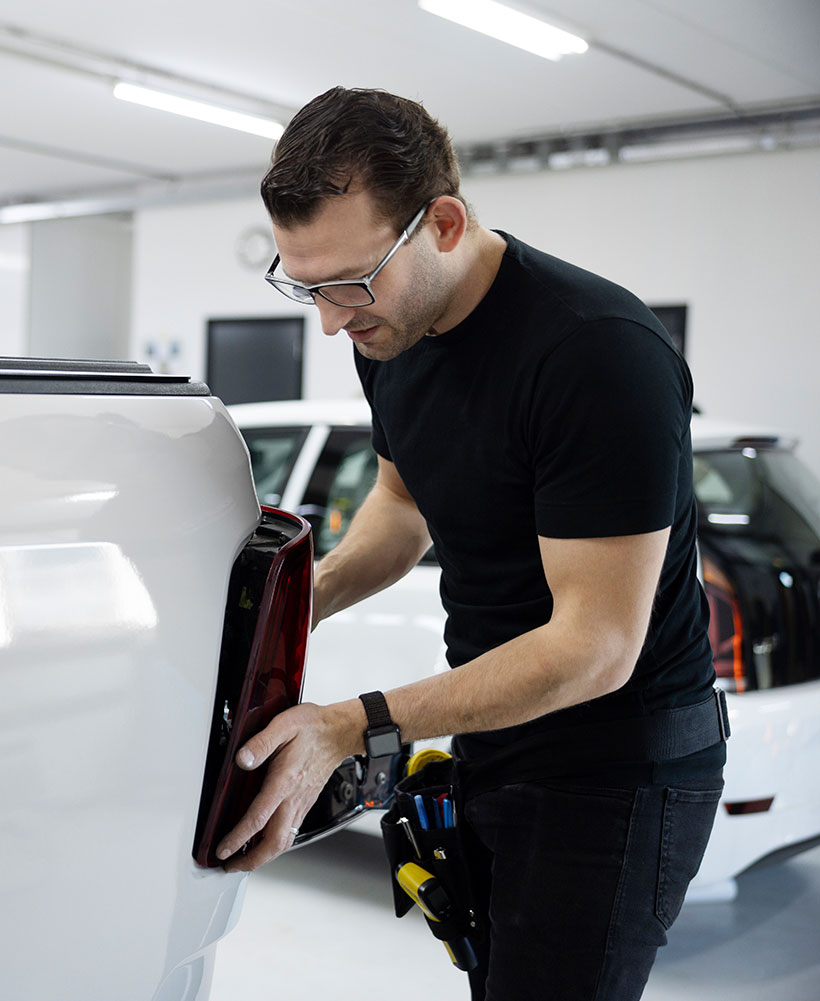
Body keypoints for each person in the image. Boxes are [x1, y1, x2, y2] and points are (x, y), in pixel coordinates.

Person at [216, 87, 727, 1001]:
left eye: (350, 282)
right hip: (502, 739)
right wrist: (310, 599)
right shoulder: (391, 333)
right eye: (307, 286)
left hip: (617, 768)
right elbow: (404, 501)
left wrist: (350, 724)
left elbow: (597, 647)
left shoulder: (595, 355)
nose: (331, 320)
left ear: (443, 223)